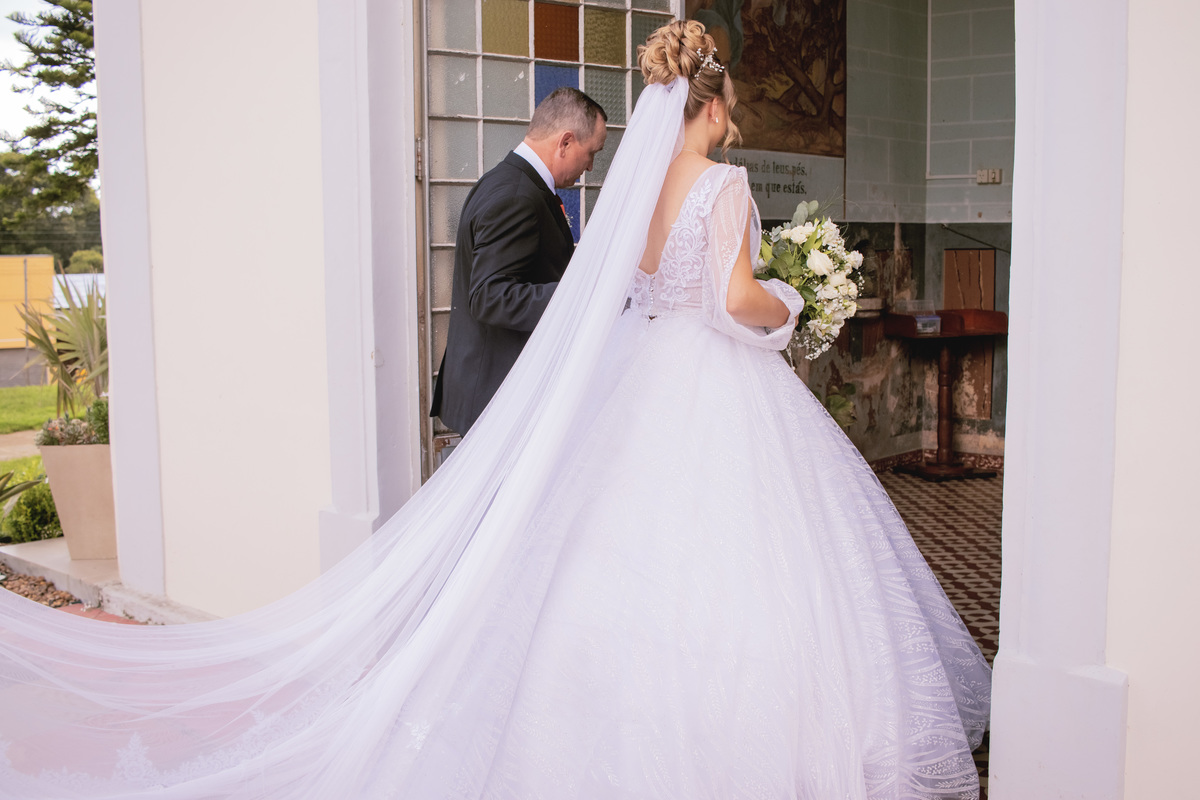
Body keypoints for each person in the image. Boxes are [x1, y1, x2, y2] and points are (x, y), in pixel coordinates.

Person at [0, 20, 989, 799]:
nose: (734, 118)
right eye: (730, 102)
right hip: (715, 379)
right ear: (713, 102)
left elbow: (635, 289)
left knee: (609, 560)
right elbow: (732, 302)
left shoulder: (632, 193)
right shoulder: (723, 185)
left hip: (643, 379)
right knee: (754, 566)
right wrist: (793, 305)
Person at [431, 87, 608, 435]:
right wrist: (581, 291)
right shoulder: (516, 195)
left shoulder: (507, 181)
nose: (590, 166)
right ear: (565, 142)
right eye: (591, 153)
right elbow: (490, 296)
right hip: (496, 397)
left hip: (496, 387)